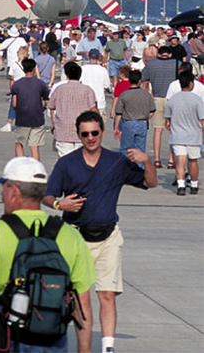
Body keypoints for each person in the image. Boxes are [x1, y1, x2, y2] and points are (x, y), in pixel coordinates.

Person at [43, 111, 157, 353]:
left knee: (107, 295)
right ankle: (84, 348)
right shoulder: (66, 163)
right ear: (79, 135)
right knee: (78, 297)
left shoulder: (116, 161)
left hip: (108, 238)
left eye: (95, 132)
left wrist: (146, 161)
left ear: (103, 132)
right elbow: (48, 195)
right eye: (85, 134)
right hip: (76, 237)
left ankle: (107, 348)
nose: (90, 137)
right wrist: (58, 205)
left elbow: (150, 183)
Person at [0, 157, 94, 353]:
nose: (1, 193)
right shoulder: (70, 235)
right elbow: (83, 304)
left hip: (6, 337)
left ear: (14, 190)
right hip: (53, 339)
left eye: (4, 187)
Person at [164, 72, 204, 195]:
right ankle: (194, 185)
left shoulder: (173, 100)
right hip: (193, 136)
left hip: (177, 136)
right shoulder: (197, 100)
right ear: (191, 83)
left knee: (180, 161)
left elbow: (167, 119)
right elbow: (202, 120)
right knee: (193, 161)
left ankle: (181, 186)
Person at [47, 61, 98, 158]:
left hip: (63, 130)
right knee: (82, 159)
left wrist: (53, 124)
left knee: (65, 160)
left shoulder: (59, 89)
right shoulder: (87, 90)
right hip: (83, 130)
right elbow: (94, 109)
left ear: (66, 74)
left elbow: (51, 106)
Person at [141, 44, 178, 168]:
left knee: (158, 130)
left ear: (158, 54)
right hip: (173, 99)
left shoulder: (151, 64)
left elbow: (144, 79)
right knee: (173, 130)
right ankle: (171, 160)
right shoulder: (176, 63)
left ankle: (157, 159)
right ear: (170, 54)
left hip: (157, 98)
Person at [11, 57, 50, 161]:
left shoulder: (17, 84)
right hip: (37, 117)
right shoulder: (40, 84)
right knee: (34, 146)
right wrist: (43, 109)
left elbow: (14, 104)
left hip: (22, 118)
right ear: (34, 69)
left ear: (23, 69)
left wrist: (17, 111)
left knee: (19, 143)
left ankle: (20, 166)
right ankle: (35, 169)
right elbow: (47, 101)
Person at [112, 69, 153, 156]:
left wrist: (116, 127)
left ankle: (127, 168)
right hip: (142, 123)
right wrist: (146, 118)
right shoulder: (146, 94)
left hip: (129, 123)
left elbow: (119, 113)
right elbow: (152, 110)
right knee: (140, 150)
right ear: (139, 81)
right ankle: (138, 168)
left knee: (126, 149)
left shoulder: (124, 95)